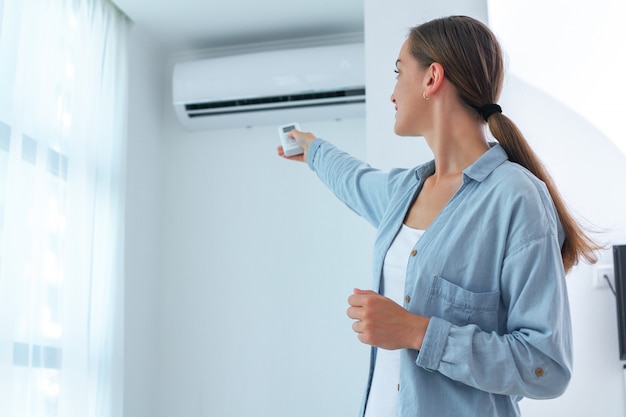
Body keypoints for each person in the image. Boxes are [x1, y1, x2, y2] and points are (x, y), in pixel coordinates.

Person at [277, 15, 600, 417]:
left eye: (398, 72)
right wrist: (311, 148)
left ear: (432, 78)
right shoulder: (404, 193)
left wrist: (416, 332)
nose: (391, 92)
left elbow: (546, 367)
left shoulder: (515, 197)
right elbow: (354, 179)